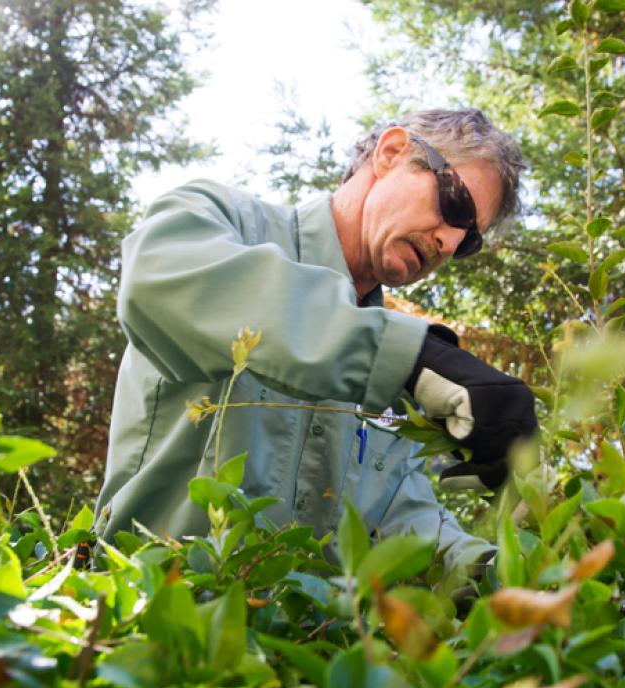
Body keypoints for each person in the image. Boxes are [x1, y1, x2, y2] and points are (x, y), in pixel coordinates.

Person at [92, 109, 537, 571]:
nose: (448, 241)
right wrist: (411, 358)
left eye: (467, 240)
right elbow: (156, 280)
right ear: (392, 152)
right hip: (140, 618)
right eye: (456, 204)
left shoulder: (402, 383)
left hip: (295, 640)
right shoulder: (223, 222)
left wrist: (506, 578)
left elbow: (403, 519)